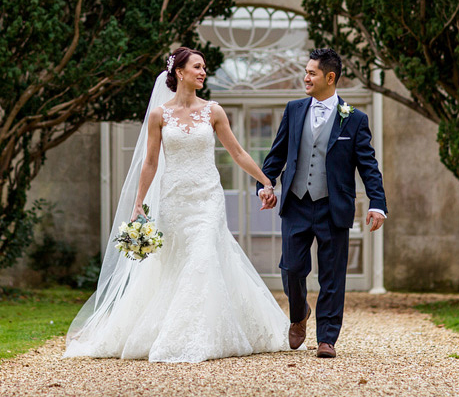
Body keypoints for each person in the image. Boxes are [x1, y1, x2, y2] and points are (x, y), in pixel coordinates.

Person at [64, 47, 293, 363]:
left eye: (204, 68)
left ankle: (193, 336)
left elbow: (238, 153)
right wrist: (138, 205)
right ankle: (166, 330)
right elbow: (150, 162)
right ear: (180, 72)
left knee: (202, 258)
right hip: (174, 199)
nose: (203, 72)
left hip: (207, 198)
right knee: (174, 264)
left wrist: (266, 182)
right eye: (197, 67)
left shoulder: (214, 111)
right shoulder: (159, 115)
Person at [258, 48, 388, 359]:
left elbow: (368, 165)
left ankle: (327, 337)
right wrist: (265, 183)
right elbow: (276, 154)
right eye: (306, 71)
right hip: (296, 203)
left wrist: (377, 203)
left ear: (330, 78)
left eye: (312, 73)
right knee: (291, 268)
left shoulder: (354, 119)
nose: (305, 77)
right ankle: (299, 311)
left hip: (334, 207)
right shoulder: (294, 110)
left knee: (332, 275)